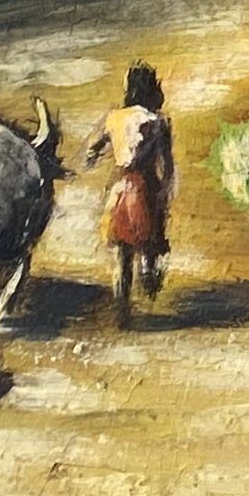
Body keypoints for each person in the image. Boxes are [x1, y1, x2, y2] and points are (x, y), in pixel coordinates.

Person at [88, 63, 176, 317]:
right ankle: (148, 274)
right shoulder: (157, 122)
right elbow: (166, 164)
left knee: (122, 254)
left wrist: (96, 156)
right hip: (144, 187)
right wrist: (165, 190)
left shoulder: (114, 118)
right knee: (148, 242)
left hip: (119, 189)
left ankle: (122, 309)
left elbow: (93, 148)